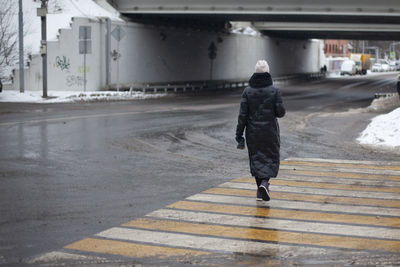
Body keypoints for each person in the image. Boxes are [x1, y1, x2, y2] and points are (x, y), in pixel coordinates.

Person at [235, 60, 286, 202]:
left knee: (257, 159)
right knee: (270, 159)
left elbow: (242, 116)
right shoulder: (274, 91)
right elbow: (281, 112)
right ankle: (264, 183)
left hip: (253, 133)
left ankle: (260, 191)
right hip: (270, 132)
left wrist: (239, 134)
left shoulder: (247, 91)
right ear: (268, 73)